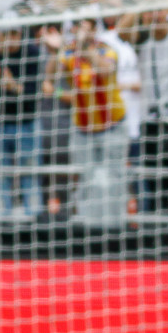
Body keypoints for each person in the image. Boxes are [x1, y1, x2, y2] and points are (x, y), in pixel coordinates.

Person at [47, 17, 127, 224]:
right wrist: (55, 51)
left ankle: (115, 225)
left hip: (112, 126)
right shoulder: (68, 54)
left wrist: (84, 48)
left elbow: (105, 70)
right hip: (82, 129)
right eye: (78, 27)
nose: (81, 32)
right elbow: (49, 82)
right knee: (85, 179)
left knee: (113, 179)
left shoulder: (106, 50)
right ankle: (87, 225)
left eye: (86, 28)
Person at [0, 25, 44, 215]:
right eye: (6, 33)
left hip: (27, 123)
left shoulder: (32, 52)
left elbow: (37, 93)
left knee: (30, 177)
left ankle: (35, 226)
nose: (10, 39)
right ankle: (0, 227)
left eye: (14, 33)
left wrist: (15, 87)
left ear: (21, 34)